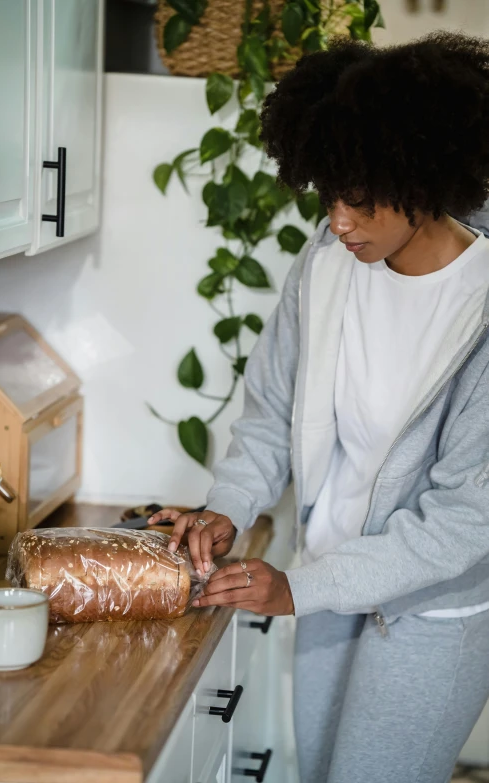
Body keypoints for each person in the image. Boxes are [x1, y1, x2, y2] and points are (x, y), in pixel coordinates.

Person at [149, 31, 489, 783]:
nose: (338, 220)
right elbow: (270, 408)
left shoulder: (482, 309)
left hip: (431, 614)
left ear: (424, 177)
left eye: (361, 200)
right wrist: (226, 507)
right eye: (330, 193)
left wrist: (299, 587)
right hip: (331, 583)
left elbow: (463, 523)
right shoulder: (330, 263)